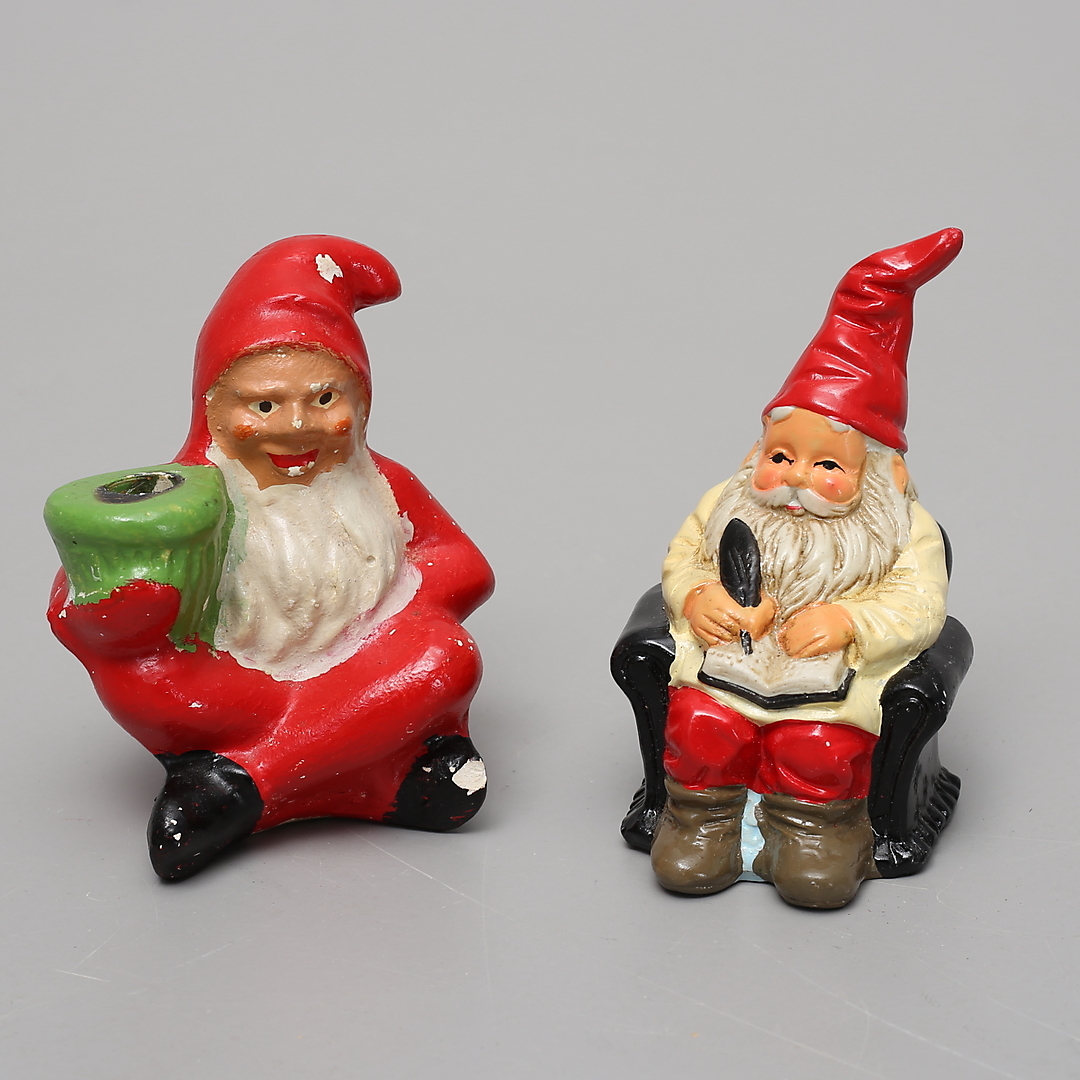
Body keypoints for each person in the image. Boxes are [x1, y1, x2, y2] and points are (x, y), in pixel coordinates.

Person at [47, 236, 494, 881]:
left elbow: (465, 565)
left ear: (361, 399)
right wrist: (116, 620)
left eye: (325, 399)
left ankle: (244, 788)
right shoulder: (181, 500)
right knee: (148, 678)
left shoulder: (384, 485)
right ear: (212, 407)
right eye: (263, 405)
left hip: (363, 677)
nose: (296, 426)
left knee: (443, 657)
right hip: (231, 692)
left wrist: (405, 610)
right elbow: (75, 603)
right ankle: (368, 768)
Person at [652, 228, 962, 908]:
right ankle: (702, 819)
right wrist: (698, 596)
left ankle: (814, 831)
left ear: (883, 475)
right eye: (780, 455)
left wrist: (850, 621)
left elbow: (920, 608)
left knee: (817, 745)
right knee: (700, 724)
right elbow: (683, 560)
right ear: (755, 451)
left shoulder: (903, 531)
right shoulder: (726, 502)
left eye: (827, 464)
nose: (795, 478)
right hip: (726, 668)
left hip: (833, 685)